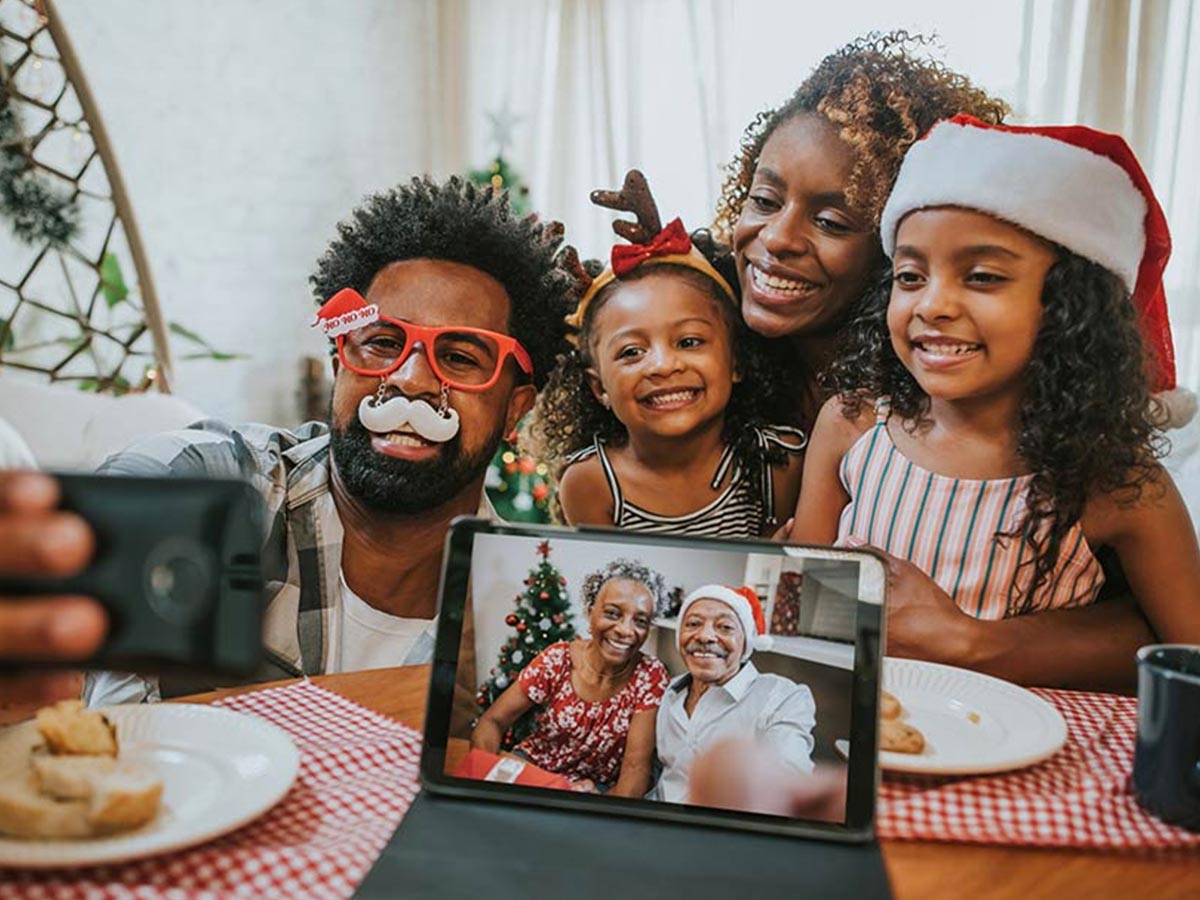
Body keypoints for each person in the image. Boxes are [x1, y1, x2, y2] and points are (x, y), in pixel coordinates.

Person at [712, 32, 1161, 689]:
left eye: (834, 221)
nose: (777, 239)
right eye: (763, 199)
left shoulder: (1085, 457)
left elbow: (1162, 639)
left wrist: (968, 639)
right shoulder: (730, 356)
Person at [77, 176, 576, 705]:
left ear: (514, 410)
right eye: (382, 343)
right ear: (340, 367)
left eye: (459, 358)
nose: (410, 379)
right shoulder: (242, 490)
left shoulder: (530, 611)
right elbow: (146, 482)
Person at [791, 117, 1200, 655]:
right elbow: (794, 616)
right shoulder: (853, 426)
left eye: (982, 276)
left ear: (1067, 308)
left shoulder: (1116, 485)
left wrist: (974, 641)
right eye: (911, 276)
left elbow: (1185, 655)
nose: (932, 305)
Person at [532, 173, 804, 536]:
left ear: (736, 361)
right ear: (599, 389)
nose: (662, 365)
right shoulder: (591, 483)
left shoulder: (777, 464)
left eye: (689, 342)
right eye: (631, 352)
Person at [471, 559, 670, 797]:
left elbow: (635, 769)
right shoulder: (558, 659)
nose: (626, 630)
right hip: (532, 770)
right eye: (613, 613)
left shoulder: (650, 676)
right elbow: (492, 722)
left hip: (593, 789)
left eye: (640, 621)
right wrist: (486, 781)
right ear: (590, 611)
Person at [656, 584, 815, 805]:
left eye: (725, 627)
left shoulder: (782, 698)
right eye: (693, 624)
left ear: (746, 641)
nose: (705, 636)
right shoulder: (667, 693)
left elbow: (790, 778)